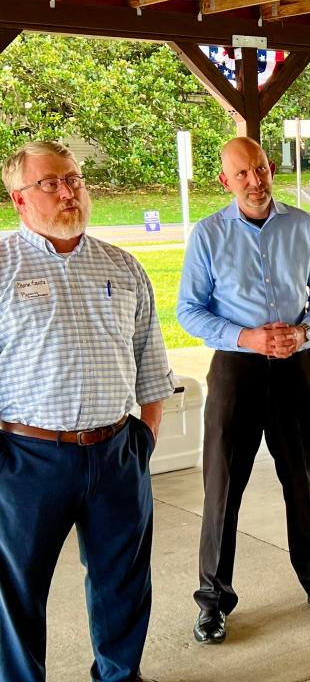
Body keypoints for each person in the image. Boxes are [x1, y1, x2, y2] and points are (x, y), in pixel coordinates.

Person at [177, 137, 310, 645]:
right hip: (236, 369)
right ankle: (213, 602)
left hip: (294, 367)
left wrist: (304, 331)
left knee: (303, 480)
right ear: (225, 181)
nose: (256, 181)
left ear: (271, 167)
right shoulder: (208, 234)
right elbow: (189, 310)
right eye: (242, 174)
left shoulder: (304, 225)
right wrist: (247, 336)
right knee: (223, 489)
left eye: (260, 169)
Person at [0, 141, 174, 682]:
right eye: (49, 183)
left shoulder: (122, 266)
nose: (68, 191)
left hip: (117, 452)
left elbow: (151, 362)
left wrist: (142, 440)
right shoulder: (3, 265)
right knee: (16, 592)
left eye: (73, 178)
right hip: (26, 460)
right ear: (19, 200)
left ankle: (120, 676)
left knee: (122, 580)